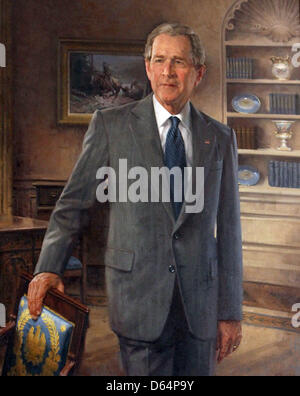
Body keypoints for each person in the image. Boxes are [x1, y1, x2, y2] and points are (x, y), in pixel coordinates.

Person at [28, 22, 243, 376]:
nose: (167, 72)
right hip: (138, 299)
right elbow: (72, 207)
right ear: (147, 67)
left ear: (199, 72)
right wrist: (49, 266)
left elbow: (230, 230)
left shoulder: (219, 137)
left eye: (179, 62)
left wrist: (230, 311)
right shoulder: (111, 126)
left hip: (200, 309)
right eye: (159, 60)